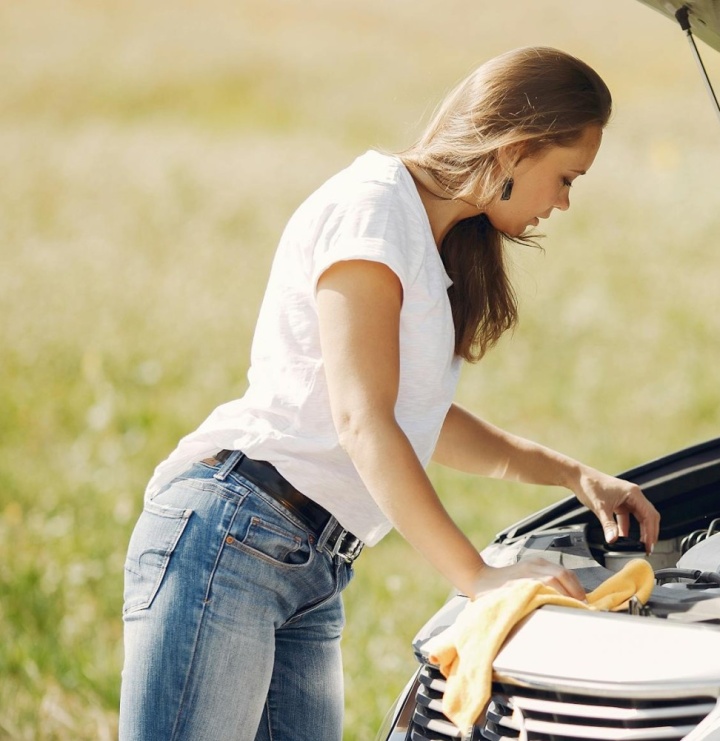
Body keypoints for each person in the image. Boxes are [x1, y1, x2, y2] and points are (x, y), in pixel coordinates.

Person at [119, 46, 660, 740]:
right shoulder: (372, 210)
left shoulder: (430, 239)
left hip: (312, 569)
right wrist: (479, 577)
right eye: (565, 176)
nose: (563, 201)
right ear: (518, 149)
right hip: (233, 538)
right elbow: (362, 421)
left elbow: (419, 420)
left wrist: (577, 476)